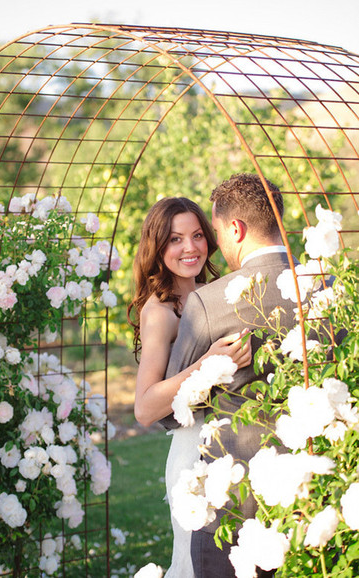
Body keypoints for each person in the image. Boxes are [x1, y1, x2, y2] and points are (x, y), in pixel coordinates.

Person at [160, 173, 300, 578]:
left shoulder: (209, 302)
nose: (217, 243)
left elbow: (173, 411)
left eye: (216, 232)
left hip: (234, 504)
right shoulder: (325, 287)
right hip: (310, 496)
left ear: (235, 229)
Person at [128, 196, 252, 578]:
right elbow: (144, 408)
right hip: (193, 453)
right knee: (198, 563)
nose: (190, 248)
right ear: (158, 247)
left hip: (236, 443)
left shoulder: (217, 293)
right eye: (175, 239)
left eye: (197, 235)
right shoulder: (160, 312)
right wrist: (206, 364)